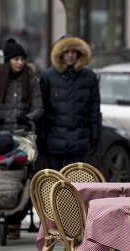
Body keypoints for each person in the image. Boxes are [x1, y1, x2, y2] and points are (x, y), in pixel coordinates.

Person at [0, 38, 43, 239]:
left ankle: (15, 216)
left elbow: (39, 108)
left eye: (22, 59)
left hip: (23, 133)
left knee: (21, 172)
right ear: (8, 61)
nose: (20, 63)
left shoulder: (31, 80)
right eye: (16, 59)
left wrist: (29, 117)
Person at [39, 35, 101, 171]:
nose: (70, 55)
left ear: (79, 53)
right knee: (53, 182)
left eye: (74, 52)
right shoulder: (48, 77)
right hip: (53, 140)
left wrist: (95, 135)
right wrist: (41, 136)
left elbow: (94, 109)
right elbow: (42, 109)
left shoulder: (89, 77)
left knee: (74, 183)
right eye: (67, 51)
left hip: (79, 140)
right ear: (60, 53)